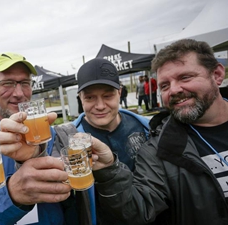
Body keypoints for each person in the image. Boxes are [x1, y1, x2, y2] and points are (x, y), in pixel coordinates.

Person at [92, 39, 228, 225]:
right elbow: (138, 209)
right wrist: (109, 170)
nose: (174, 90)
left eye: (185, 77)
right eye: (164, 85)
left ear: (217, 75)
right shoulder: (158, 149)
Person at [0, 58, 150, 225]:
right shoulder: (65, 137)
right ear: (80, 98)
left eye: (107, 96)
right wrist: (28, 157)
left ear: (119, 93)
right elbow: (47, 179)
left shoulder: (148, 129)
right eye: (90, 97)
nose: (100, 105)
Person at [0, 52, 72, 225]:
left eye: (25, 83)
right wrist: (12, 194)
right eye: (7, 83)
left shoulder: (49, 133)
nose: (18, 93)